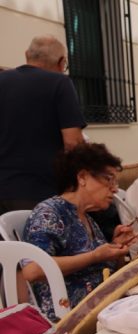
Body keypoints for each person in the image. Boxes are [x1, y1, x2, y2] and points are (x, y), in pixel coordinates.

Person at [22, 143, 137, 320]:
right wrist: (95, 256)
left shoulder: (86, 218)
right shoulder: (49, 213)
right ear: (82, 177)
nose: (114, 188)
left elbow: (105, 271)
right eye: (109, 179)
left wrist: (117, 249)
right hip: (67, 317)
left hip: (103, 308)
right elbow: (33, 270)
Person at [0, 35, 86, 214]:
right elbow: (73, 143)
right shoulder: (60, 83)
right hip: (41, 191)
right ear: (62, 62)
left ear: (26, 55)